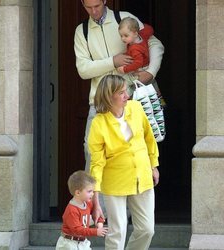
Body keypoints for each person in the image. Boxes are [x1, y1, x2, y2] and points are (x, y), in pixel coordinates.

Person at [74, 0, 164, 172]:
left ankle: (136, 196)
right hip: (100, 101)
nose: (93, 12)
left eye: (97, 6)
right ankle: (97, 199)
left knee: (137, 150)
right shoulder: (81, 31)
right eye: (88, 7)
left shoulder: (125, 18)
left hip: (131, 97)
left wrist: (151, 72)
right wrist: (113, 62)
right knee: (92, 151)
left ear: (104, 1)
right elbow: (83, 70)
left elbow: (154, 44)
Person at [88, 75, 160, 250]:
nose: (127, 95)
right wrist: (95, 200)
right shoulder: (98, 123)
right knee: (117, 232)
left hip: (142, 176)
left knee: (147, 229)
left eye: (126, 91)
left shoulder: (136, 108)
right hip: (115, 181)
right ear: (108, 96)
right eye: (121, 93)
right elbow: (96, 163)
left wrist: (154, 165)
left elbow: (149, 138)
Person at [55, 170, 108, 250]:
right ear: (78, 193)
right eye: (89, 191)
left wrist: (99, 223)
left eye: (93, 191)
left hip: (83, 243)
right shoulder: (71, 210)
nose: (92, 194)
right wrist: (96, 231)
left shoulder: (88, 203)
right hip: (69, 244)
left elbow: (98, 213)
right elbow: (77, 230)